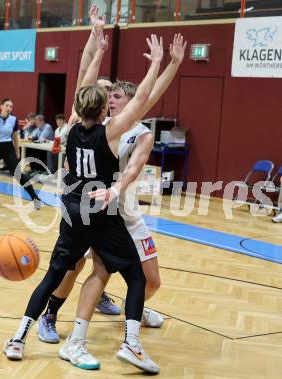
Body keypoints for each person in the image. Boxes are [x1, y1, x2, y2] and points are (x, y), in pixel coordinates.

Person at [4, 31, 164, 374]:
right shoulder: (111, 132)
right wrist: (158, 64)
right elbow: (144, 97)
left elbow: (84, 84)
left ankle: (17, 338)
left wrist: (96, 51)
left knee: (53, 275)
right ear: (104, 107)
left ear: (77, 107)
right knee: (136, 277)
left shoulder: (71, 128)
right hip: (100, 211)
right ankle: (131, 344)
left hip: (71, 207)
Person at [38, 34, 187, 357]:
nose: (108, 96)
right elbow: (83, 82)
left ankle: (135, 308)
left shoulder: (133, 127)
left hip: (125, 211)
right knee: (76, 267)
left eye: (114, 93)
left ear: (126, 101)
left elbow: (152, 92)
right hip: (93, 210)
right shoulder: (94, 127)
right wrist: (95, 43)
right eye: (106, 93)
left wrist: (173, 62)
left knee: (151, 281)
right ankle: (51, 315)